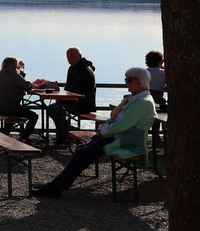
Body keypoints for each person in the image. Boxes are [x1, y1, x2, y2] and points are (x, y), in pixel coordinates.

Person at [33, 67, 157, 198]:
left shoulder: (142, 102)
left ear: (140, 81)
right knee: (83, 149)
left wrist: (103, 131)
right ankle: (57, 185)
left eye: (129, 79)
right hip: (118, 136)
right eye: (125, 79)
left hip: (125, 140)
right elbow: (116, 117)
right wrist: (105, 126)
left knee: (83, 152)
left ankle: (55, 187)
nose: (127, 82)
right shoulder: (135, 99)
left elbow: (123, 125)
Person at [45, 48, 97, 145]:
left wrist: (60, 99)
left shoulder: (84, 70)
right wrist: (60, 99)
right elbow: (69, 89)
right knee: (50, 108)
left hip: (82, 103)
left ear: (80, 56)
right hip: (72, 101)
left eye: (72, 57)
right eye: (68, 57)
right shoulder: (73, 68)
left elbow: (75, 91)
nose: (70, 59)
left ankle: (63, 136)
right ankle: (69, 130)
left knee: (56, 110)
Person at [0, 56, 37, 142]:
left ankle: (6, 133)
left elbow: (19, 82)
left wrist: (20, 72)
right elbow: (27, 85)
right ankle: (24, 138)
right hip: (9, 107)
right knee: (34, 116)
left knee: (14, 114)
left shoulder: (0, 75)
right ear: (14, 66)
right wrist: (22, 70)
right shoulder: (14, 75)